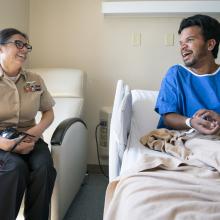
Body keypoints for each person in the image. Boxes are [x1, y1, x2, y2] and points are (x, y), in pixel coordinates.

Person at [0, 28, 56, 220]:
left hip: (31, 136)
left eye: (26, 46)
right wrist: (6, 144)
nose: (24, 49)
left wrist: (35, 132)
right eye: (18, 44)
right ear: (0, 48)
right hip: (1, 141)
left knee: (44, 168)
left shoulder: (34, 79)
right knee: (15, 168)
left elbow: (48, 112)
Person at [155, 14, 220, 135]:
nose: (183, 47)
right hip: (185, 139)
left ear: (210, 44)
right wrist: (191, 122)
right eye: (181, 43)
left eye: (189, 40)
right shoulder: (176, 74)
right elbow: (168, 116)